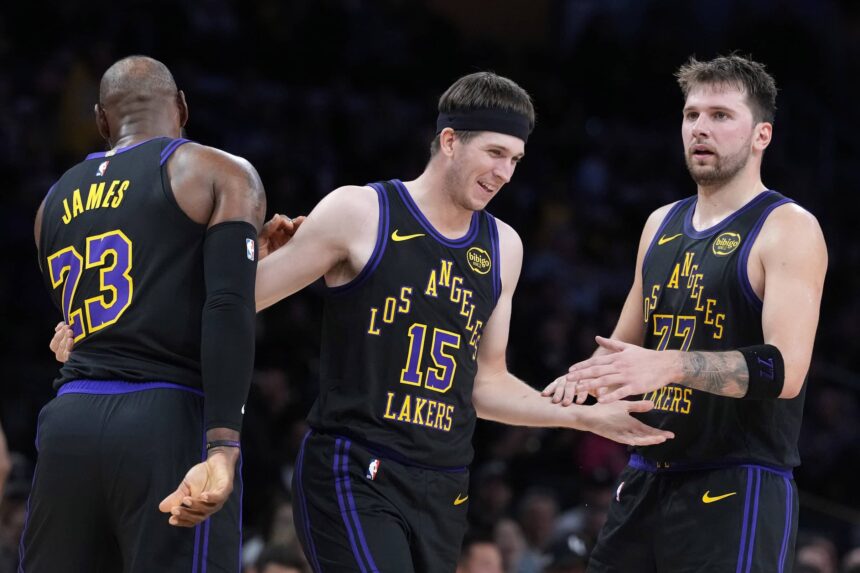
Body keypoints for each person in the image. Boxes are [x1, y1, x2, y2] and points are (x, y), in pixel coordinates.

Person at [172, 71, 670, 573]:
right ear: (450, 141)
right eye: (495, 153)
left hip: (445, 486)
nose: (505, 173)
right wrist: (250, 259)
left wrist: (584, 417)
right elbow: (236, 303)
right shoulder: (360, 211)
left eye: (516, 159)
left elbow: (486, 383)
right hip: (353, 467)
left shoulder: (504, 246)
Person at [545, 55, 827, 572]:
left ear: (761, 135)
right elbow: (621, 351)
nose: (700, 128)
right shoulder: (660, 223)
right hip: (646, 475)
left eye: (720, 115)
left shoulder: (788, 227)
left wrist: (671, 365)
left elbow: (784, 371)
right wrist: (578, 386)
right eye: (691, 114)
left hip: (737, 482)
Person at [26, 55, 284, 572]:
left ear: (102, 120)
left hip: (68, 424)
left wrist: (247, 258)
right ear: (182, 108)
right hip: (165, 417)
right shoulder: (216, 171)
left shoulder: (50, 203)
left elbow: (93, 319)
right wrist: (223, 446)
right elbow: (227, 306)